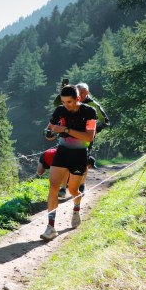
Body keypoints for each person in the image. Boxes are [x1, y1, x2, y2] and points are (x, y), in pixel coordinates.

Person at [41, 84, 97, 241]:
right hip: (63, 152)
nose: (66, 105)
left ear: (78, 99)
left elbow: (89, 137)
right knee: (53, 187)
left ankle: (76, 210)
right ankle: (50, 227)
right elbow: (49, 131)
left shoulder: (89, 111)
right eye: (63, 102)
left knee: (73, 190)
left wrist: (65, 130)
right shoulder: (59, 110)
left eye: (69, 102)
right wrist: (50, 133)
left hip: (79, 154)